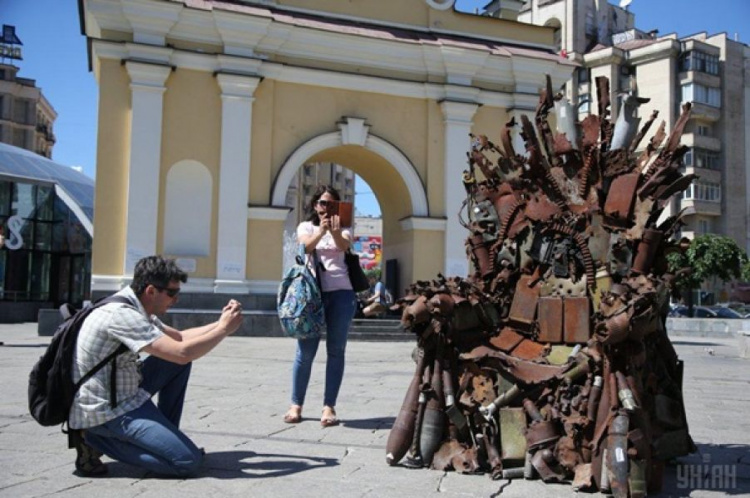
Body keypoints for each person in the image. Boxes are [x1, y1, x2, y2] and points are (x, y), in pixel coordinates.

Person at [69, 255, 243, 477]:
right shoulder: (122, 315)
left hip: (124, 391)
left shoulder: (134, 304)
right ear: (151, 291)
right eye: (171, 293)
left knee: (175, 364)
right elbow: (181, 352)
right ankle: (93, 438)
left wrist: (221, 323)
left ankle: (166, 439)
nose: (176, 299)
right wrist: (223, 331)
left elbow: (179, 338)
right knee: (187, 461)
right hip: (107, 409)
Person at [284, 185, 357, 427]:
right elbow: (304, 247)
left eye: (332, 204)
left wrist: (334, 232)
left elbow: (344, 247)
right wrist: (322, 230)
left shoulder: (345, 229)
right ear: (315, 205)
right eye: (323, 203)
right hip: (311, 295)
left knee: (336, 351)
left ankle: (329, 407)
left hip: (342, 293)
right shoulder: (306, 227)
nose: (326, 208)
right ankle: (296, 404)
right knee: (305, 353)